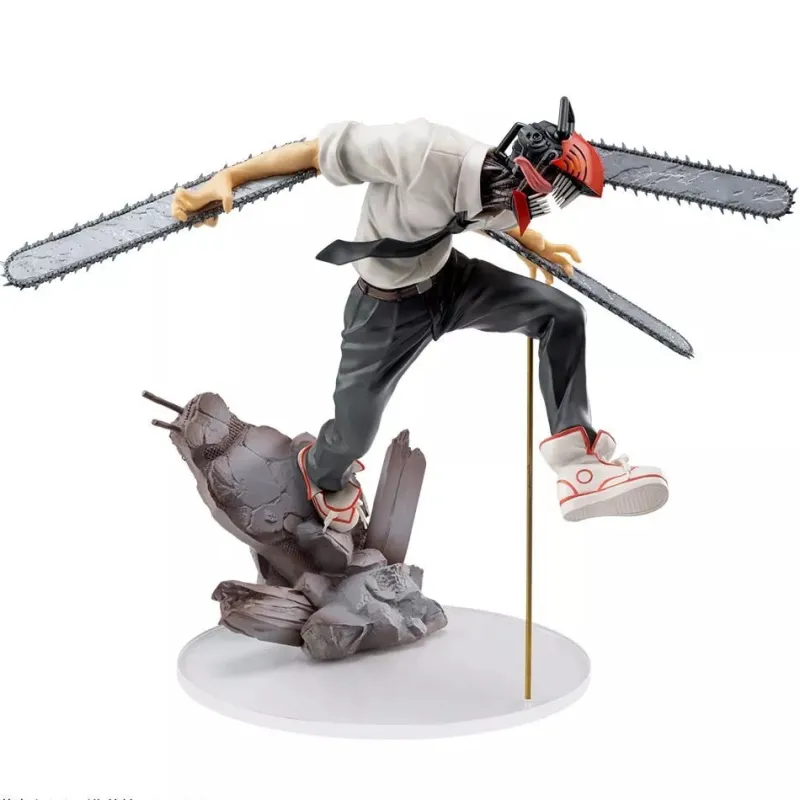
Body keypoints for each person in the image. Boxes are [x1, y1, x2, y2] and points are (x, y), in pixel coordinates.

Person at [171, 98, 668, 531]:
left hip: (452, 282)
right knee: (352, 436)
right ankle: (320, 473)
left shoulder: (505, 192)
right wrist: (229, 178)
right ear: (527, 177)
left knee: (563, 315)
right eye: (546, 198)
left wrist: (534, 242)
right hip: (384, 309)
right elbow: (317, 152)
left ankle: (577, 463)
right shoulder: (422, 150)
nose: (542, 208)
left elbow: (486, 216)